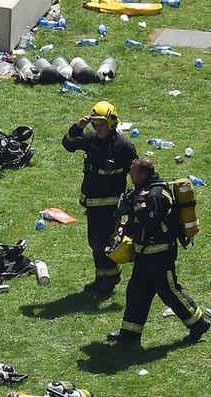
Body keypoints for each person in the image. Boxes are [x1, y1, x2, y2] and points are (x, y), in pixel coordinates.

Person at [107, 158, 210, 345]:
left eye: (133, 171)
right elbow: (137, 223)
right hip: (144, 254)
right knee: (136, 293)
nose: (130, 174)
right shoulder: (141, 190)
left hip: (160, 254)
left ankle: (198, 323)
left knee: (169, 291)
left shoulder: (158, 194)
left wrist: (136, 206)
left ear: (143, 175)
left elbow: (151, 220)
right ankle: (130, 335)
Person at [62, 101, 137, 297]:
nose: (97, 128)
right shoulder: (91, 138)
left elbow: (137, 174)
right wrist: (78, 127)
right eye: (94, 124)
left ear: (111, 123)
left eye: (101, 124)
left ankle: (111, 278)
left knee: (101, 242)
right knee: (93, 242)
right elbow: (68, 144)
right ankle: (101, 277)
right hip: (93, 203)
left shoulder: (123, 146)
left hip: (110, 205)